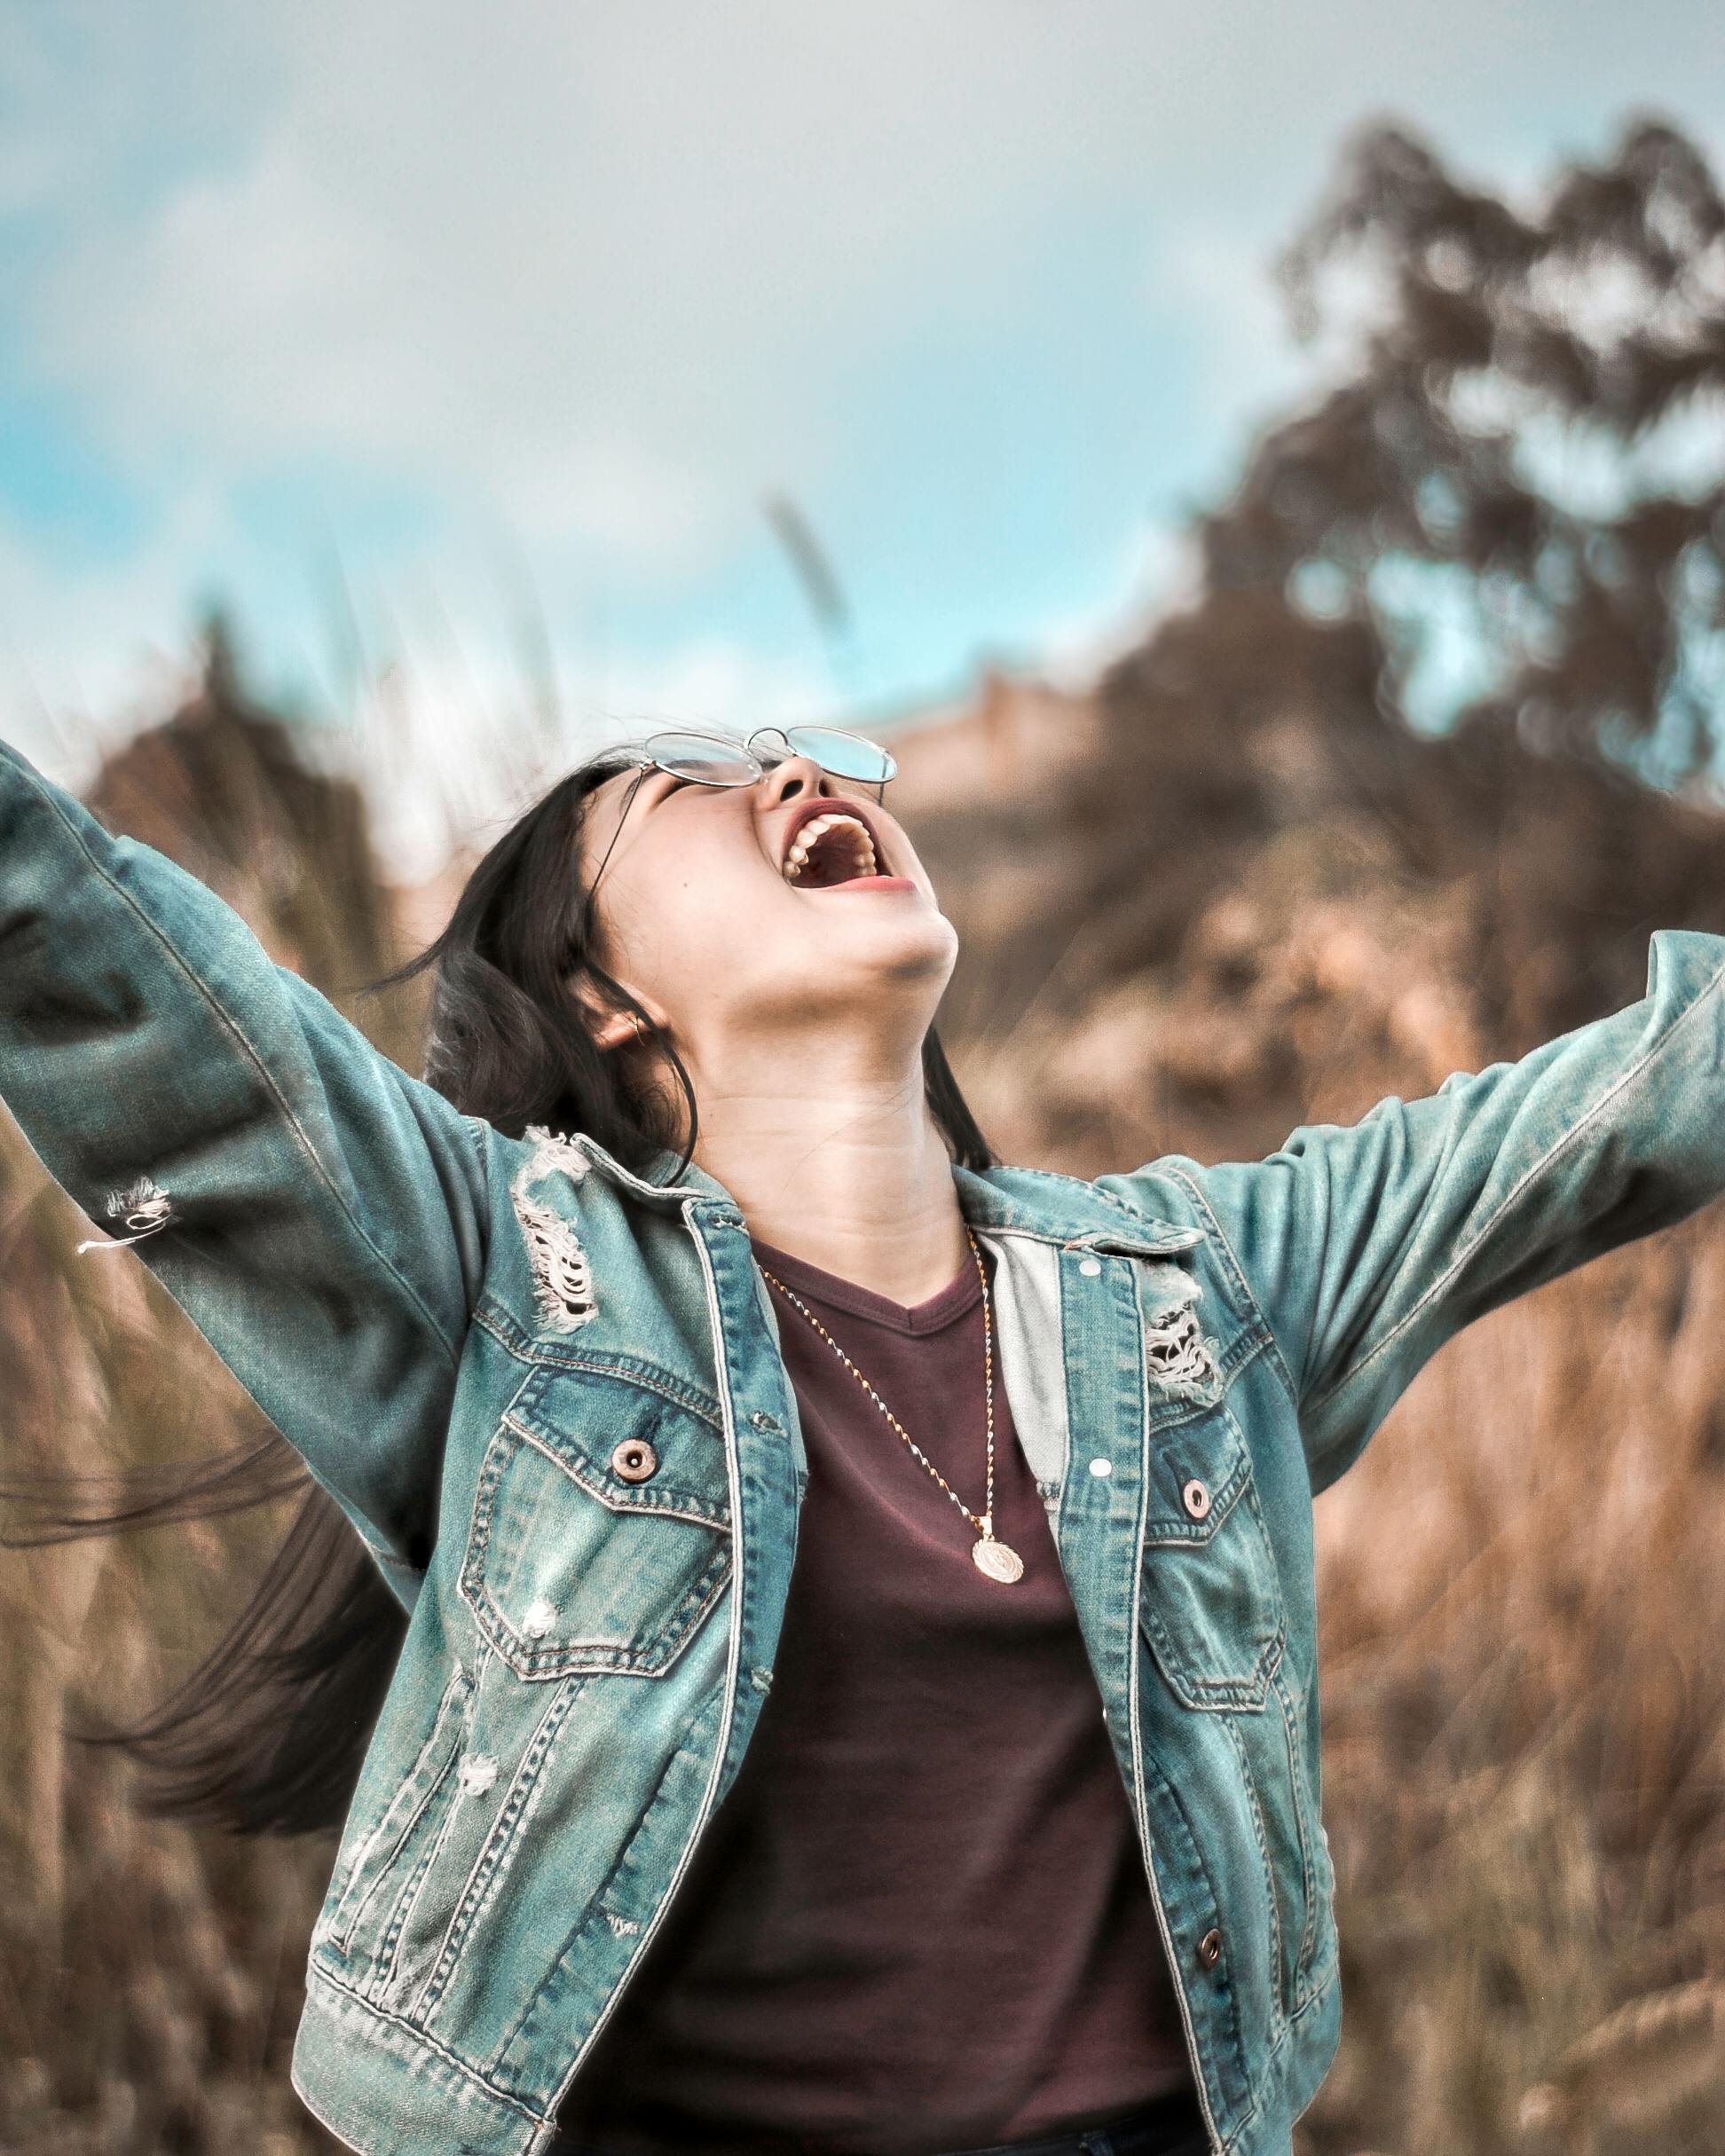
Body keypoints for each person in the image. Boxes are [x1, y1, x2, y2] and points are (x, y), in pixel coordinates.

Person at [2, 719, 1722, 2156]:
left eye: (819, 754)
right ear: (599, 997)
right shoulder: (505, 1282)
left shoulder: (1199, 1290)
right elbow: (125, 992)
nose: (797, 778)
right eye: (686, 789)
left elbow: (1626, 1109)